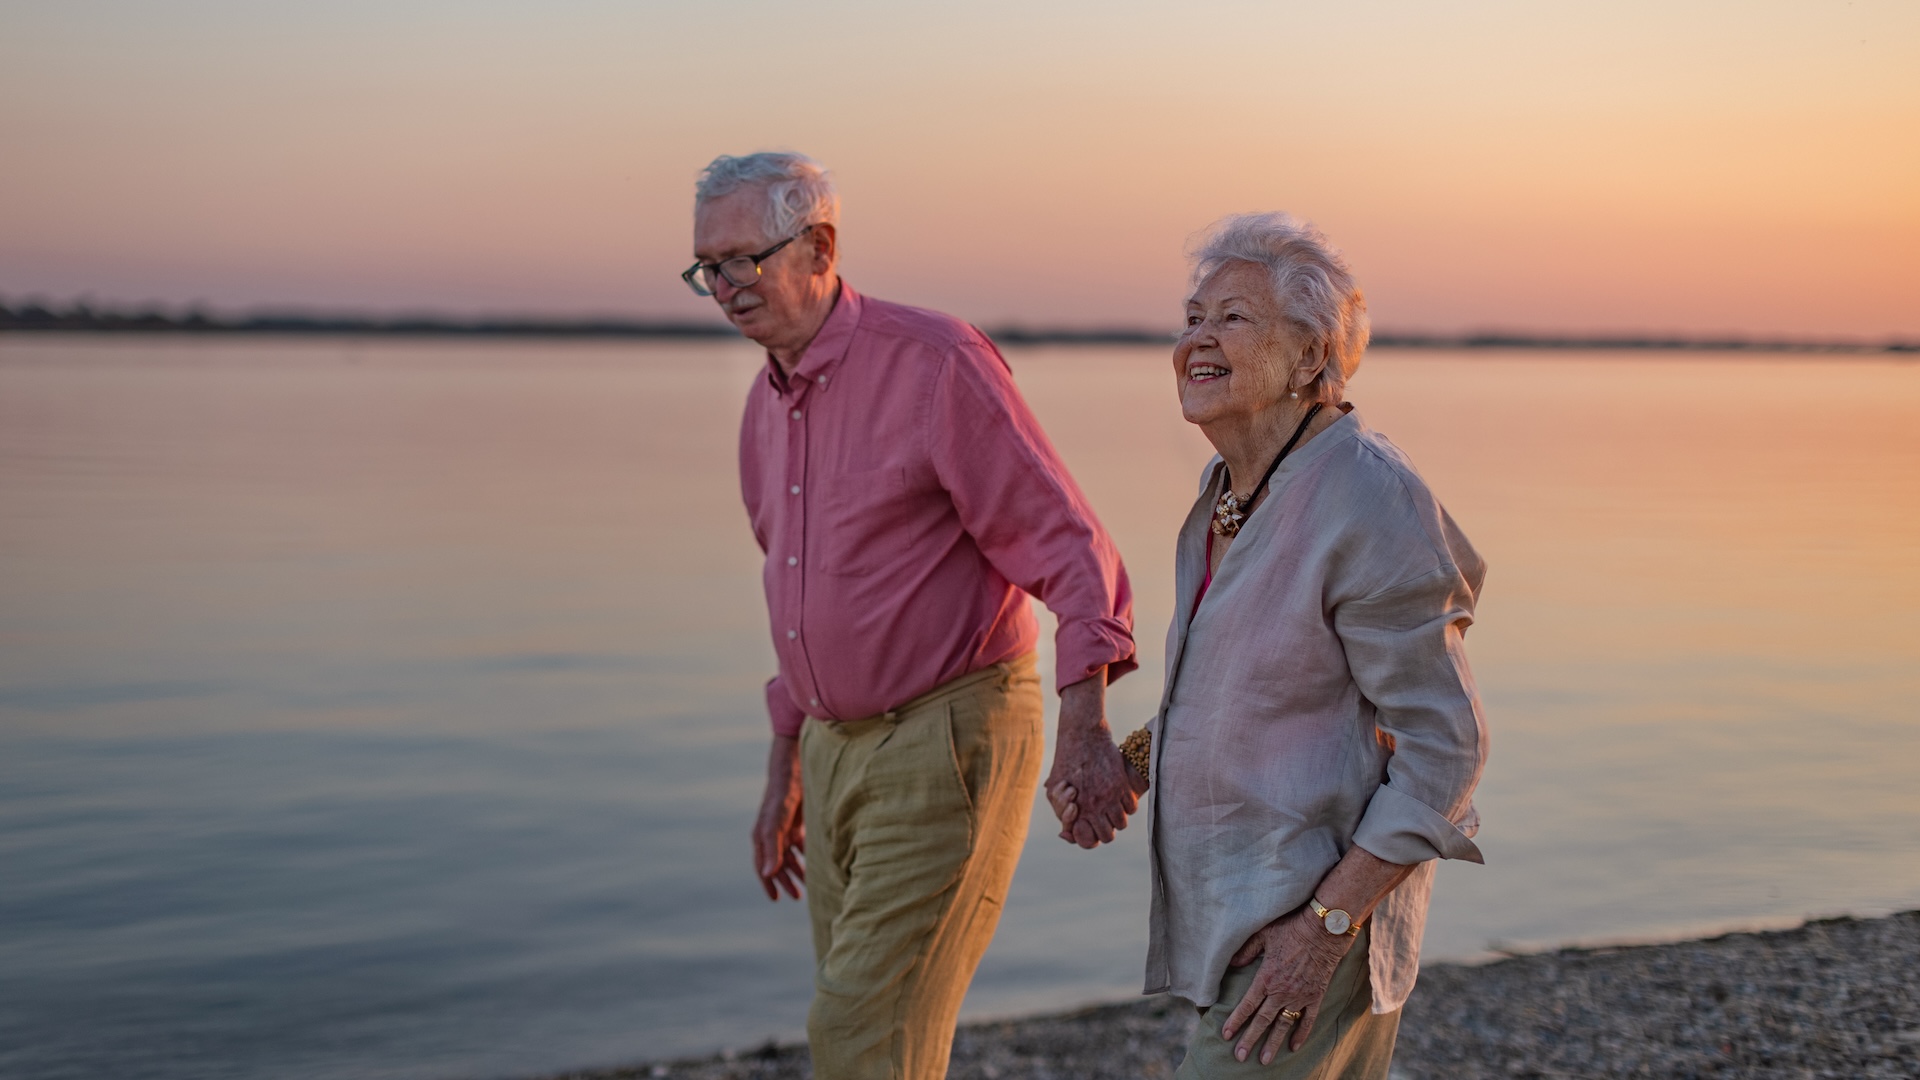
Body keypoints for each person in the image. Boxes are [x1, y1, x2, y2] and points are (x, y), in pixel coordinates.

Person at [688, 151, 1140, 1080]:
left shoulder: (936, 363)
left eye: (743, 259)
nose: (726, 287)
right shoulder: (762, 408)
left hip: (948, 735)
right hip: (830, 745)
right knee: (875, 1033)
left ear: (819, 245)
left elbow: (1069, 546)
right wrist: (786, 765)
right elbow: (795, 589)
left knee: (861, 1031)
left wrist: (1086, 723)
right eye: (709, 268)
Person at [1051, 212, 1490, 1078]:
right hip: (1243, 914)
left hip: (1308, 925)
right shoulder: (1231, 490)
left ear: (1310, 360)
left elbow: (1447, 748)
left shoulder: (1368, 499)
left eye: (1232, 319)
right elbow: (1245, 697)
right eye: (1192, 317)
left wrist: (1322, 932)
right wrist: (1131, 762)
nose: (1195, 342)